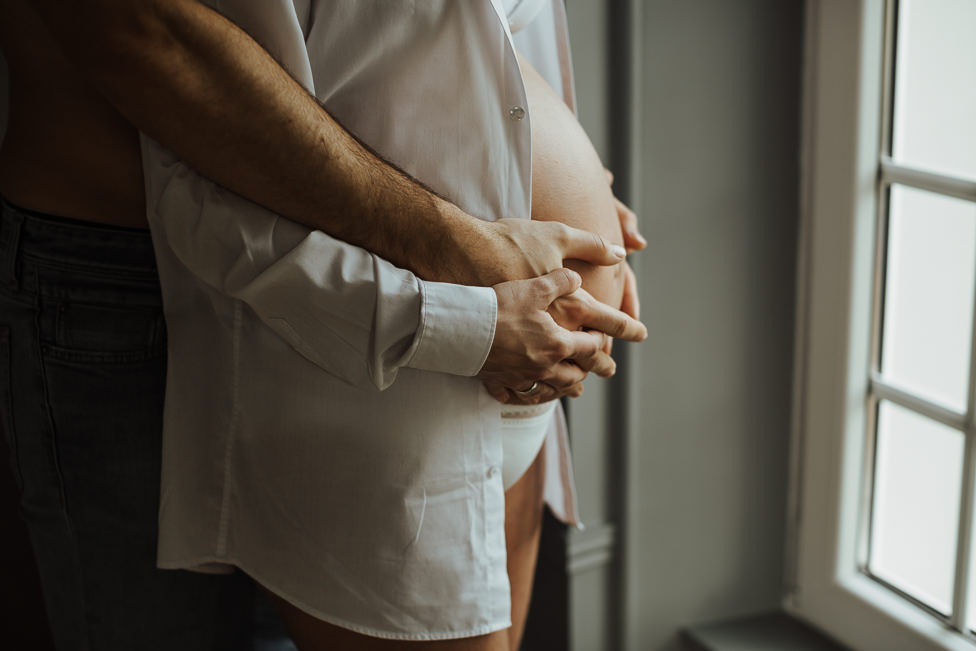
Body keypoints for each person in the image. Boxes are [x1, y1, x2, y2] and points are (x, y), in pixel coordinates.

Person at [0, 1, 645, 649]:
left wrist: (557, 176)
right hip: (189, 280)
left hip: (492, 314)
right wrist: (456, 263)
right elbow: (141, 35)